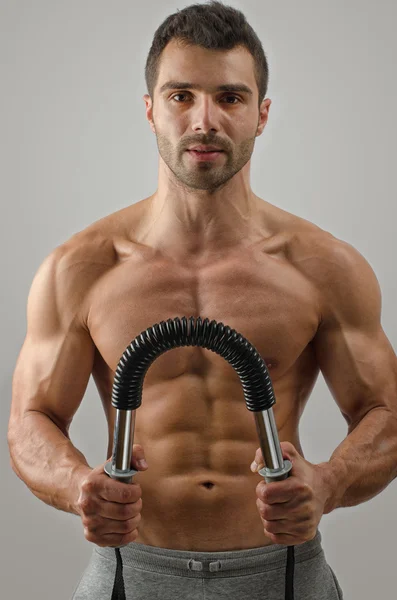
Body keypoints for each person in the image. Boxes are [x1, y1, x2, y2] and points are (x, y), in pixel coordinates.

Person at [7, 2, 397, 599]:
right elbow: (30, 420)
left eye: (231, 97)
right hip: (129, 575)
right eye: (181, 95)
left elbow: (386, 414)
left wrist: (330, 482)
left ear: (262, 115)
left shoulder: (324, 267)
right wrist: (76, 483)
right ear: (150, 109)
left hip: (285, 574)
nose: (204, 120)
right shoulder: (82, 268)